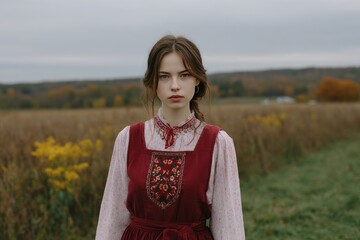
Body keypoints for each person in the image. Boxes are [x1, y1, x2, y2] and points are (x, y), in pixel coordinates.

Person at [95, 35, 245, 240]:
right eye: (165, 76)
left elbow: (229, 225)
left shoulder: (218, 143)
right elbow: (112, 218)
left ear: (197, 79)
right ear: (153, 82)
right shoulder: (128, 139)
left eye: (184, 75)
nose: (175, 85)